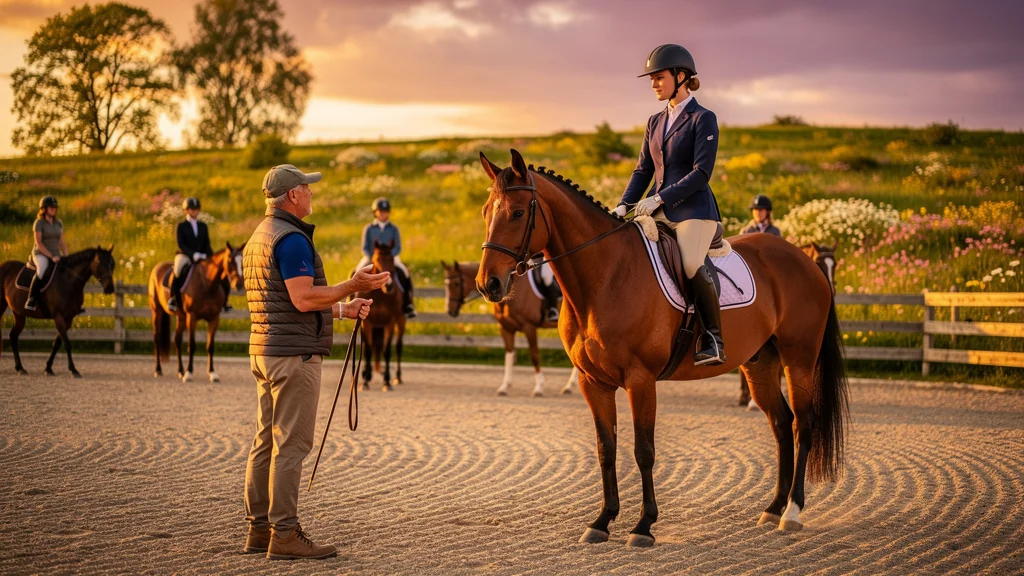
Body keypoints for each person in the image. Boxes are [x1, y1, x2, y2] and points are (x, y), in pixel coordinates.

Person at [241, 164, 389, 560]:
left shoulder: (259, 236)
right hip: (293, 357)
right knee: (291, 445)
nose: (311, 192)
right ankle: (285, 533)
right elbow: (304, 299)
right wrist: (353, 285)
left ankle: (259, 529)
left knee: (264, 443)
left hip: (265, 351)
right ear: (292, 195)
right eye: (306, 187)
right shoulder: (291, 240)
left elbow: (290, 301)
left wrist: (342, 308)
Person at [613, 44, 726, 366]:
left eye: (659, 77)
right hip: (659, 210)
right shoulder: (654, 121)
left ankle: (714, 339)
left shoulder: (703, 118)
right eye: (651, 79)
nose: (654, 84)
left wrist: (659, 197)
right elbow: (643, 170)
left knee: (691, 263)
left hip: (695, 212)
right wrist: (623, 206)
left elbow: (701, 173)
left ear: (681, 76)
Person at [737, 194, 783, 406]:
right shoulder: (746, 232)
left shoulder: (775, 233)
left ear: (768, 212)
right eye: (756, 210)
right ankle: (743, 390)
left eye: (761, 210)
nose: (758, 212)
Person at [358, 197, 417, 318]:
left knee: (405, 272)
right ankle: (351, 299)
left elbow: (398, 247)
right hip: (372, 258)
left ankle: (408, 303)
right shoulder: (369, 228)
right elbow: (365, 247)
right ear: (375, 213)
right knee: (356, 271)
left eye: (385, 212)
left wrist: (390, 257)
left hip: (391, 258)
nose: (383, 214)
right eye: (380, 211)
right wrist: (373, 258)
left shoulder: (394, 229)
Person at [167, 198, 225, 312]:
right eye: (192, 209)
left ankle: (225, 301)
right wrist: (193, 254)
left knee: (219, 270)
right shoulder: (181, 226)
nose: (194, 211)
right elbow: (181, 244)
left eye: (196, 209)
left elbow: (207, 244)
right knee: (178, 270)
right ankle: (173, 297)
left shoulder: (203, 226)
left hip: (202, 256)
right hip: (185, 255)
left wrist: (210, 257)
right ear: (186, 211)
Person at [25, 195, 67, 311]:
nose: (53, 209)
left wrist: (66, 256)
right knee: (42, 270)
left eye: (55, 207)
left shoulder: (59, 223)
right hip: (41, 253)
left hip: (56, 255)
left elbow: (62, 242)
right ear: (43, 209)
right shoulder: (39, 223)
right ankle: (31, 299)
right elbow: (38, 243)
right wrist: (51, 256)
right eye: (51, 207)